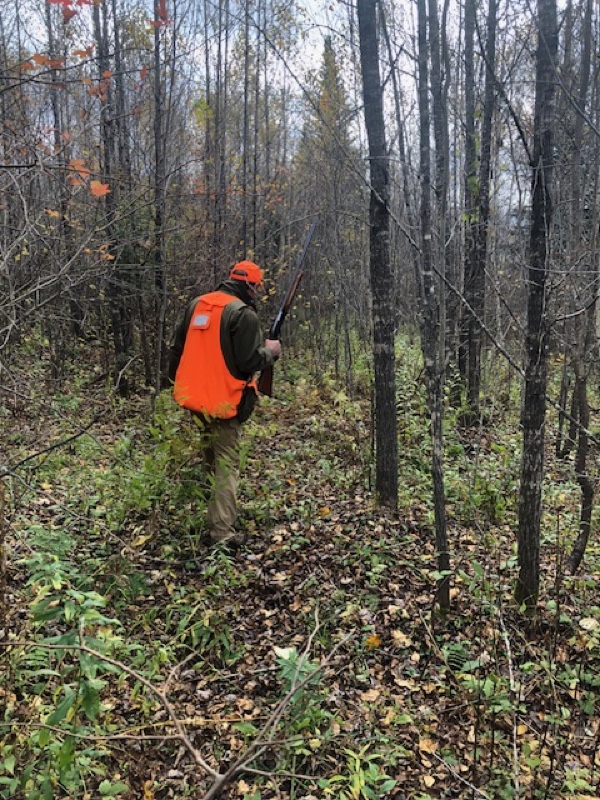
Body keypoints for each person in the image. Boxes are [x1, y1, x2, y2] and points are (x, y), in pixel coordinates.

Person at [168, 260, 281, 549]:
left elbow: (177, 350)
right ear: (250, 286)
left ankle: (211, 516)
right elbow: (249, 361)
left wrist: (176, 384)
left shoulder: (197, 304)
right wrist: (270, 353)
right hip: (224, 403)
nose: (257, 292)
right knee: (226, 465)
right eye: (257, 287)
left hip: (195, 400)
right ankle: (222, 534)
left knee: (209, 457)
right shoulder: (243, 315)